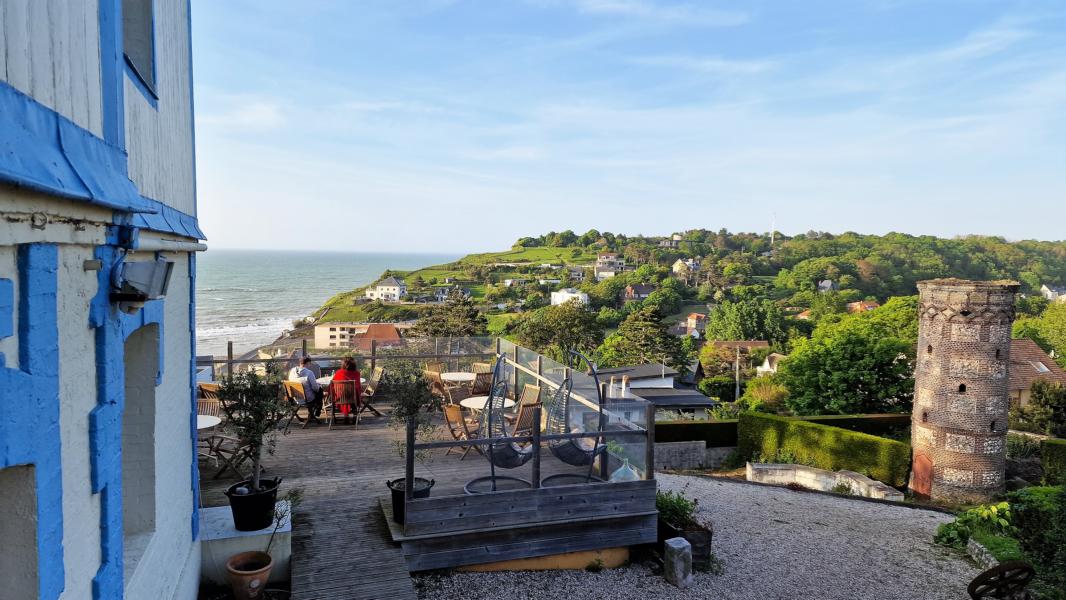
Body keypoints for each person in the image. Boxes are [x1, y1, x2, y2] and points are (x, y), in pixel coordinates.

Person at [331, 357, 363, 423]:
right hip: (353, 399)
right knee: (354, 396)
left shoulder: (338, 373)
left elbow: (331, 386)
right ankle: (355, 415)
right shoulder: (357, 373)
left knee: (344, 394)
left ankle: (346, 415)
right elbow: (358, 387)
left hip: (340, 399)